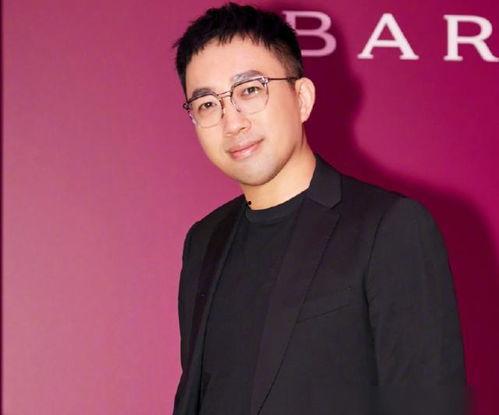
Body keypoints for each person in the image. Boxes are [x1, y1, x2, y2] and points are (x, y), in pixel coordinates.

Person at [172, 3, 467, 415]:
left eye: (250, 90)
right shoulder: (203, 241)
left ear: (302, 98)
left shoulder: (389, 228)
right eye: (207, 104)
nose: (232, 122)